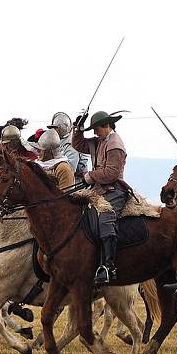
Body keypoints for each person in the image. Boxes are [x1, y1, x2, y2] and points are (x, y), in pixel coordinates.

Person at [72, 110, 131, 284]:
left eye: (96, 129)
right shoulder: (99, 141)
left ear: (106, 126)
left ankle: (108, 266)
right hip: (98, 189)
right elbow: (78, 144)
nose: (95, 132)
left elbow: (111, 173)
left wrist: (88, 177)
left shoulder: (115, 144)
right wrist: (78, 128)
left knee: (105, 219)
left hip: (115, 190)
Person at [47, 112, 89, 180]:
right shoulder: (58, 142)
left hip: (74, 182)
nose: (55, 131)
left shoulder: (71, 146)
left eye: (56, 128)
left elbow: (69, 171)